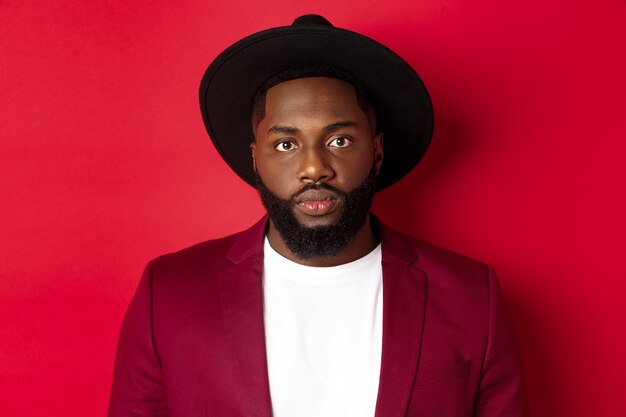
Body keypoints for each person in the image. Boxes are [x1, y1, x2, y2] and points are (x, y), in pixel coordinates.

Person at [108, 14, 528, 417]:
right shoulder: (167, 294)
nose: (314, 168)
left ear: (376, 152)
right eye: (287, 145)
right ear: (256, 159)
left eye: (340, 139)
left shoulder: (472, 297)